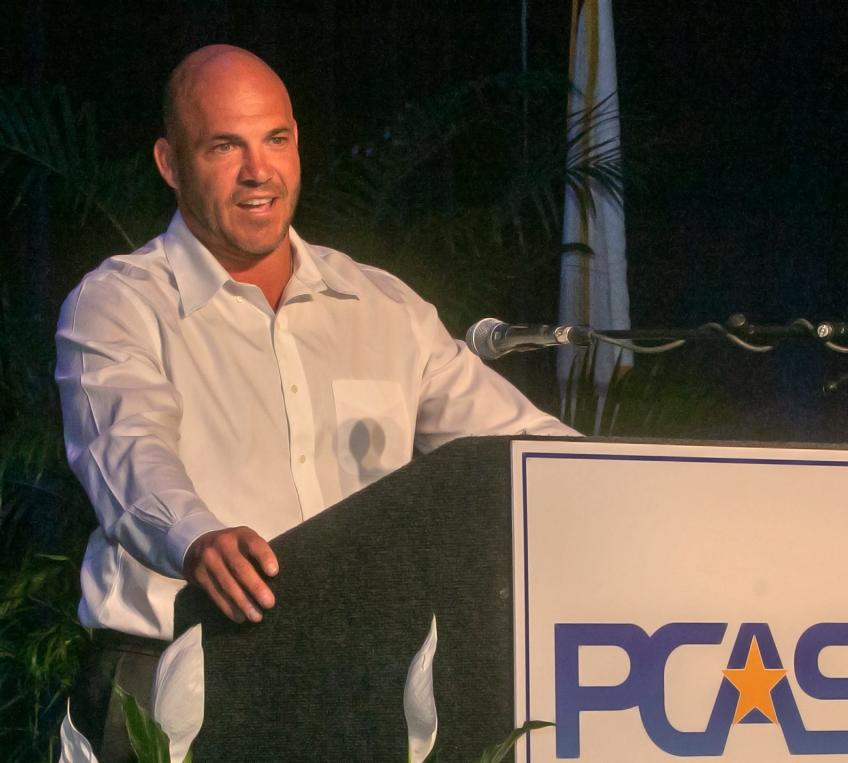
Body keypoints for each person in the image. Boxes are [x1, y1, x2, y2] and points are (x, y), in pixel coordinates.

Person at [55, 44, 576, 758]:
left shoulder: (384, 308)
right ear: (170, 164)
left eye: (276, 140)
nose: (257, 171)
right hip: (180, 683)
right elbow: (126, 448)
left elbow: (525, 449)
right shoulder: (118, 304)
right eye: (223, 147)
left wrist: (611, 488)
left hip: (357, 696)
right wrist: (198, 536)